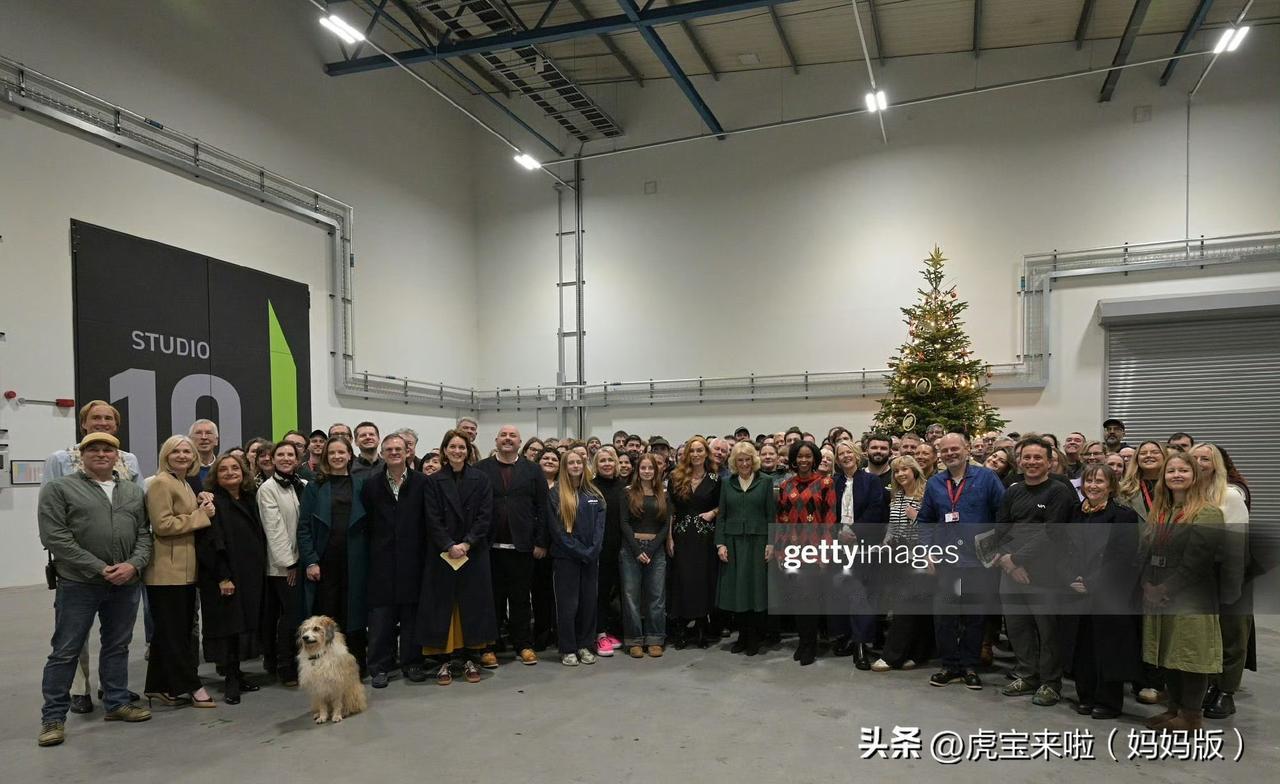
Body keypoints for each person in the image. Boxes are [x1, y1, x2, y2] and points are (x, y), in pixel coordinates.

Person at [37, 432, 153, 746]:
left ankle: (116, 702)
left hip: (125, 583)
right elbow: (55, 537)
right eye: (94, 450)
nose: (101, 454)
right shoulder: (60, 489)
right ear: (82, 456)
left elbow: (144, 533)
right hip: (79, 583)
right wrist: (99, 567)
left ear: (117, 456)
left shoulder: (132, 491)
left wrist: (133, 565)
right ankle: (53, 718)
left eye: (107, 449)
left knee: (117, 645)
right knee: (66, 650)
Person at [1141, 452, 1225, 731]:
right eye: (1171, 471)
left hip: (1190, 594)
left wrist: (1165, 588)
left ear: (1195, 476)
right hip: (1159, 590)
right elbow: (1146, 552)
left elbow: (1198, 561)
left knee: (1190, 654)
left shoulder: (1207, 512)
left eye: (1183, 470)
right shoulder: (1162, 511)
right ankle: (1174, 709)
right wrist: (1147, 584)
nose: (1176, 475)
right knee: (1168, 652)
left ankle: (1191, 716)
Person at [991, 436, 1076, 707]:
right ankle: (1027, 674)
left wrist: (1016, 560)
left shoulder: (1058, 491)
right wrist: (1007, 561)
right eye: (1026, 457)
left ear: (1050, 462)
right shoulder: (1013, 491)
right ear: (1019, 461)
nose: (1031, 462)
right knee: (1017, 627)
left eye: (1038, 457)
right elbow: (1001, 528)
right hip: (1010, 571)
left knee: (1047, 630)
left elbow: (1050, 533)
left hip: (1044, 573)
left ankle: (1051, 683)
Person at [919, 432, 1005, 690]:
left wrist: (997, 548)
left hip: (977, 562)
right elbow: (925, 520)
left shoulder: (987, 478)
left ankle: (969, 666)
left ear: (967, 449)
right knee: (944, 616)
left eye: (955, 448)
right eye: (945, 450)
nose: (950, 454)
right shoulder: (935, 483)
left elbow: (1003, 514)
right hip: (947, 562)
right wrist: (926, 551)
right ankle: (949, 665)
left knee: (974, 616)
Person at [418, 430, 498, 686]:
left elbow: (485, 516)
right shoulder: (433, 481)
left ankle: (471, 658)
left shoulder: (481, 479)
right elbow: (431, 518)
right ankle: (444, 661)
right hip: (442, 553)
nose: (457, 451)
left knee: (472, 606)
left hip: (473, 552)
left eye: (462, 447)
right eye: (452, 446)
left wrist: (467, 543)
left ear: (468, 450)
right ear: (444, 450)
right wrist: (449, 545)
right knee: (443, 606)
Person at [1064, 464, 1143, 720]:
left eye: (1099, 481)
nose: (1093, 486)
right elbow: (1063, 549)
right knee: (1082, 647)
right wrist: (1070, 577)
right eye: (1089, 481)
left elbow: (1123, 556)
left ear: (1110, 486)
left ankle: (1108, 702)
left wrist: (1092, 582)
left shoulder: (1123, 516)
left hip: (1108, 592)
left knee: (1108, 648)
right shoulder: (1074, 513)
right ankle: (1085, 696)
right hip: (1076, 591)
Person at [144, 435, 215, 708]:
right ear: (166, 455)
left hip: (183, 569)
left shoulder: (183, 482)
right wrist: (202, 516)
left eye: (187, 451)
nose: (183, 455)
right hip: (166, 570)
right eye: (176, 451)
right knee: (176, 634)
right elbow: (162, 525)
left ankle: (158, 686)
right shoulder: (161, 483)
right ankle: (192, 685)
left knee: (169, 631)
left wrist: (201, 501)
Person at [475, 426, 549, 667]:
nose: (508, 439)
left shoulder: (533, 470)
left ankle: (523, 644)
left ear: (520, 442)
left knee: (521, 599)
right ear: (496, 440)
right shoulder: (481, 469)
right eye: (503, 435)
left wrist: (540, 541)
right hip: (489, 547)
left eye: (512, 436)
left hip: (523, 547)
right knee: (491, 600)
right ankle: (489, 646)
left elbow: (543, 508)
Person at [196, 453, 267, 704]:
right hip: (224, 575)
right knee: (228, 628)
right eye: (223, 469)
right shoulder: (212, 502)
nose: (230, 472)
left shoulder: (249, 498)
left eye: (235, 468)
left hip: (249, 574)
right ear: (216, 475)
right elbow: (209, 542)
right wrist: (223, 577)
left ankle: (237, 672)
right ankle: (231, 679)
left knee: (243, 626)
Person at [298, 436, 370, 674]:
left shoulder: (361, 485)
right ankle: (327, 667)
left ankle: (356, 666)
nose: (337, 457)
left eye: (341, 452)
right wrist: (311, 560)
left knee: (354, 615)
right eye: (332, 453)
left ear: (350, 455)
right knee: (328, 616)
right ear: (326, 457)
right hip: (325, 561)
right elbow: (304, 527)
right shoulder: (315, 487)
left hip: (356, 560)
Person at [361, 433, 428, 687]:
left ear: (408, 452)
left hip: (414, 560)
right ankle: (380, 667)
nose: (394, 453)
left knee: (412, 617)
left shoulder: (422, 483)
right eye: (388, 449)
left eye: (398, 448)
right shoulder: (371, 485)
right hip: (381, 561)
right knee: (381, 620)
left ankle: (413, 663)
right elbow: (367, 523)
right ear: (382, 453)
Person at [1192, 443, 1250, 719]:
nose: (1199, 463)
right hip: (1199, 577)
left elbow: (1237, 545)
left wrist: (1232, 585)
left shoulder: (1230, 495)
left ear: (1216, 464)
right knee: (1208, 635)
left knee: (1231, 635)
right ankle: (1211, 685)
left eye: (1205, 458)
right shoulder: (1188, 494)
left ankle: (1226, 692)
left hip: (1229, 572)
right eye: (1194, 458)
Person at [777, 440, 837, 666]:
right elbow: (781, 519)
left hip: (814, 549)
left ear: (814, 459)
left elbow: (830, 520)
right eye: (799, 456)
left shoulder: (826, 483)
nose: (803, 460)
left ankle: (811, 645)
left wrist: (825, 552)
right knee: (796, 598)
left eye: (808, 456)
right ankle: (802, 642)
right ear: (794, 459)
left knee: (809, 599)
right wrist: (780, 552)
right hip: (791, 549)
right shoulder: (786, 485)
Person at [871, 456, 932, 672]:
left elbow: (932, 527)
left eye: (905, 469)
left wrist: (916, 517)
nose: (900, 474)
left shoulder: (926, 495)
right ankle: (918, 654)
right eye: (897, 471)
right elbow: (892, 527)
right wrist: (885, 543)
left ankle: (891, 656)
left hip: (919, 557)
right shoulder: (896, 497)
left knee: (906, 607)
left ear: (914, 471)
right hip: (898, 557)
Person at [715, 442, 776, 657]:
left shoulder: (765, 481)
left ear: (753, 460)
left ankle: (754, 637)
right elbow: (722, 516)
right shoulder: (726, 482)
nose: (744, 464)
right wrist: (720, 543)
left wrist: (771, 543)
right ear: (734, 462)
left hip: (758, 542)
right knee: (737, 590)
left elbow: (771, 515)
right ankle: (742, 635)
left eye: (747, 460)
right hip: (733, 542)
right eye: (739, 460)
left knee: (756, 590)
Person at [547, 450, 606, 666]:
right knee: (568, 605)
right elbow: (557, 531)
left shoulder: (594, 493)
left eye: (578, 462)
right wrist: (580, 551)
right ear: (564, 467)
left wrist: (592, 551)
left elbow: (600, 526)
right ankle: (568, 648)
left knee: (588, 603)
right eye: (570, 462)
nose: (575, 466)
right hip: (566, 558)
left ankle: (585, 645)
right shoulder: (555, 494)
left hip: (590, 559)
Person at [834, 440, 889, 669]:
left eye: (849, 452)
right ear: (837, 460)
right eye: (841, 454)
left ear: (857, 455)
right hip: (840, 546)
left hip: (865, 545)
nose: (845, 456)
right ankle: (848, 638)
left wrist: (854, 532)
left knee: (864, 596)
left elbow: (876, 510)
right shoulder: (834, 482)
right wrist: (839, 532)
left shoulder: (871, 481)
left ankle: (861, 645)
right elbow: (829, 512)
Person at [257, 440, 305, 686]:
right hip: (283, 566)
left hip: (303, 561)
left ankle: (299, 662)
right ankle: (285, 665)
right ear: (273, 459)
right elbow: (274, 529)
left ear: (297, 460)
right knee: (290, 616)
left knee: (300, 614)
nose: (286, 458)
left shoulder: (303, 484)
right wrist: (289, 563)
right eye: (281, 455)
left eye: (290, 455)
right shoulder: (268, 489)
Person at [666, 436, 720, 649]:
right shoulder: (676, 477)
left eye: (700, 450)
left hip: (705, 537)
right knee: (681, 580)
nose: (696, 454)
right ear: (687, 454)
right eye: (692, 450)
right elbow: (671, 510)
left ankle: (701, 628)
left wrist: (713, 512)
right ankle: (680, 627)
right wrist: (669, 537)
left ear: (706, 453)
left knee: (702, 580)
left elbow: (724, 505)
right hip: (681, 536)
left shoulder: (715, 479)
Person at [619, 454, 671, 658]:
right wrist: (637, 550)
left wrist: (650, 550)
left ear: (656, 471)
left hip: (655, 550)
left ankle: (655, 638)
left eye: (651, 468)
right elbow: (624, 523)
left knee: (656, 596)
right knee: (631, 596)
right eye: (643, 468)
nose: (647, 471)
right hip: (631, 549)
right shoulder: (627, 492)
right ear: (637, 470)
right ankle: (634, 640)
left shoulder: (664, 494)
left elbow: (665, 525)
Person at [590, 446, 626, 656]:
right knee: (601, 593)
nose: (606, 464)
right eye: (602, 460)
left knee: (620, 593)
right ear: (596, 464)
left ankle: (614, 631)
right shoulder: (590, 487)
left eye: (610, 460)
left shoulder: (625, 487)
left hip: (622, 549)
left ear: (616, 463)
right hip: (599, 550)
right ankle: (600, 633)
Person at [1118, 441, 1167, 523]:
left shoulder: (1175, 487)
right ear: (1137, 459)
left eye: (1155, 452)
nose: (1148, 455)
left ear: (1165, 456)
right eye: (1143, 453)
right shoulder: (1123, 489)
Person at [188, 420, 220, 486]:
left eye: (208, 433)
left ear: (216, 440)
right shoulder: (183, 468)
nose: (204, 437)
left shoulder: (223, 467)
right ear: (190, 440)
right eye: (198, 433)